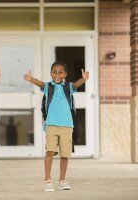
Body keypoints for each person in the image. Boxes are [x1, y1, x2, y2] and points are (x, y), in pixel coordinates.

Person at [23, 61, 89, 192]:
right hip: (51, 125)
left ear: (65, 74)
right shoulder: (48, 86)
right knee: (50, 152)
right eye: (54, 72)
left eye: (60, 72)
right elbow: (40, 83)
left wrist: (84, 79)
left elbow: (77, 84)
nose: (57, 75)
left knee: (65, 154)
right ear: (51, 73)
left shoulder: (69, 87)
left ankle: (62, 180)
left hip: (66, 125)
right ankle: (48, 180)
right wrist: (31, 79)